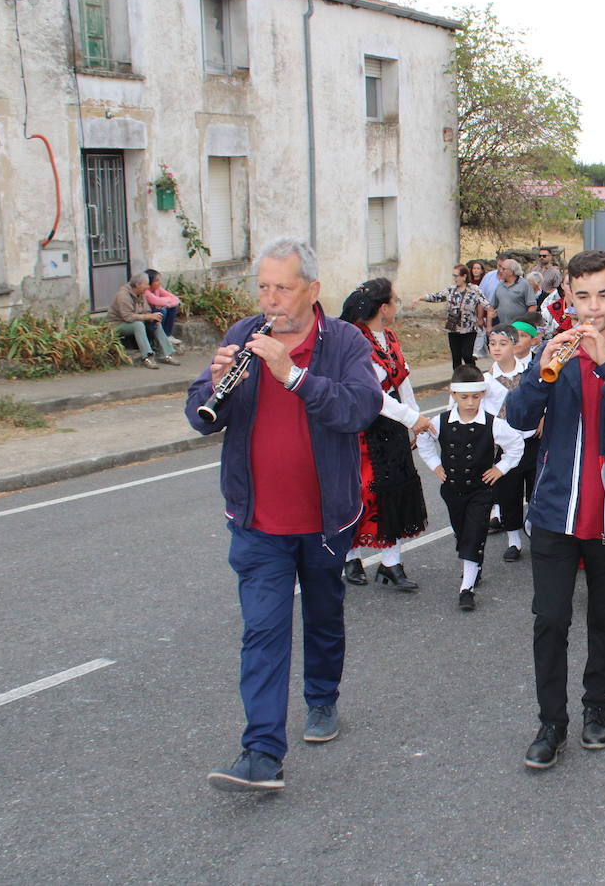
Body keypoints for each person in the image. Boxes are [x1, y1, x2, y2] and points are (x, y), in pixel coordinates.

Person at [187, 237, 381, 792]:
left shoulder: (344, 342)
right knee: (263, 632)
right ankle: (261, 753)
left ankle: (322, 699)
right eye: (264, 287)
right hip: (257, 523)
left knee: (322, 616)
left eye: (283, 288)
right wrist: (211, 381)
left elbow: (359, 408)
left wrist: (292, 377)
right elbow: (201, 417)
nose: (270, 300)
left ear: (313, 291)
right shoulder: (242, 335)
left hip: (323, 520)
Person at [505, 250, 605, 770]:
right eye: (582, 297)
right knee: (549, 620)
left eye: (603, 295)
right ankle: (551, 722)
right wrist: (542, 374)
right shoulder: (553, 347)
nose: (592, 308)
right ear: (567, 298)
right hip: (555, 511)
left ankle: (596, 705)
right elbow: (520, 418)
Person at [339, 278, 432, 591]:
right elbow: (373, 396)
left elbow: (402, 380)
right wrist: (411, 418)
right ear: (384, 307)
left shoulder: (389, 336)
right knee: (364, 494)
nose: (397, 305)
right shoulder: (356, 341)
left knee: (395, 492)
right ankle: (349, 556)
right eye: (395, 300)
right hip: (366, 428)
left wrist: (413, 418)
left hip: (392, 427)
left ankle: (391, 564)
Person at [417, 365, 525, 611]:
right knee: (462, 533)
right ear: (453, 394)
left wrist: (501, 468)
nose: (470, 402)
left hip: (481, 491)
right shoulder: (440, 421)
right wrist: (435, 465)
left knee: (474, 533)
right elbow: (423, 439)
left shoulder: (493, 424)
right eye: (464, 397)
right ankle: (474, 565)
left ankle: (466, 589)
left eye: (476, 397)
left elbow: (516, 445)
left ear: (483, 395)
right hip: (452, 491)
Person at [482, 324, 535, 563]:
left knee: (536, 489)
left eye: (503, 344)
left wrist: (543, 417)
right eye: (492, 343)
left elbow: (543, 397)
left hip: (531, 439)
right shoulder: (485, 380)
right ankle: (513, 540)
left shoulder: (530, 372)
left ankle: (535, 530)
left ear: (514, 346)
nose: (496, 348)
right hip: (504, 446)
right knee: (508, 493)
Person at [418, 264, 488, 370]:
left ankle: (473, 377)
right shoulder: (450, 290)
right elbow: (437, 296)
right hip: (453, 328)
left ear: (464, 276)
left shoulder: (474, 290)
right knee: (456, 356)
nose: (454, 278)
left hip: (469, 329)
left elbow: (485, 303)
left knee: (467, 355)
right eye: (453, 276)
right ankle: (457, 380)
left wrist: (491, 312)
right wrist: (420, 298)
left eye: (456, 276)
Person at [109, 274, 180, 369]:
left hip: (135, 319)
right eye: (146, 284)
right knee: (138, 325)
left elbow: (147, 309)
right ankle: (147, 357)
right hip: (117, 324)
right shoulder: (123, 296)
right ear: (138, 285)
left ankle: (166, 354)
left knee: (155, 322)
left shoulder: (141, 293)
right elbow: (127, 317)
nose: (148, 287)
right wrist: (147, 316)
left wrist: (151, 317)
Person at [488, 259, 539, 329]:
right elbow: (491, 307)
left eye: (503, 269)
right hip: (502, 327)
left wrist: (527, 324)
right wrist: (489, 326)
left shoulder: (524, 284)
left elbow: (532, 306)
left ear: (511, 272)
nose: (500, 270)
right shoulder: (500, 285)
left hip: (519, 328)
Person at [144, 269, 182, 347]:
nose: (159, 282)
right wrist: (166, 302)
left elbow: (175, 299)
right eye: (156, 280)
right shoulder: (146, 291)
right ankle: (155, 337)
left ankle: (167, 335)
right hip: (147, 314)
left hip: (156, 310)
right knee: (162, 310)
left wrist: (166, 303)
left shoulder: (157, 289)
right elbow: (156, 301)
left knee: (172, 307)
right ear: (149, 282)